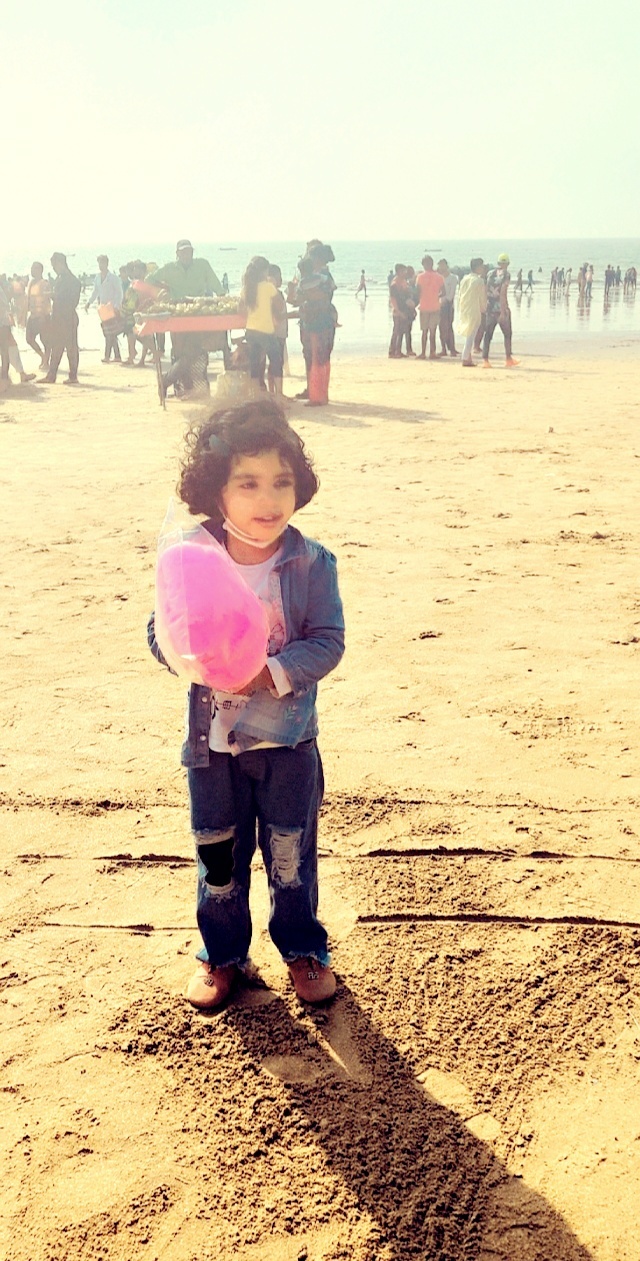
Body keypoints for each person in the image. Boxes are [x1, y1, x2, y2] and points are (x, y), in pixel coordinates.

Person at [147, 398, 345, 1009]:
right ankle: (223, 953)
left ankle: (303, 947)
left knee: (290, 853)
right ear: (217, 491)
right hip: (213, 749)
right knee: (219, 857)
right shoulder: (191, 557)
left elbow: (328, 642)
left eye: (282, 482)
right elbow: (161, 631)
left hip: (288, 745)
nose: (269, 499)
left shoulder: (310, 563)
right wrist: (193, 659)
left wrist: (269, 672)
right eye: (248, 483)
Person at [149, 240, 225, 398]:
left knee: (193, 351)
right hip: (178, 315)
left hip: (197, 313)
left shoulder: (202, 265)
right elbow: (150, 279)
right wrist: (164, 289)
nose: (186, 254)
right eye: (183, 252)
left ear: (193, 252)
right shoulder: (169, 268)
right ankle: (178, 386)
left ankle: (169, 381)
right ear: (177, 253)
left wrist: (222, 299)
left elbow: (216, 285)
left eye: (189, 251)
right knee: (181, 353)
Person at [294, 244, 337, 405]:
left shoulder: (320, 275)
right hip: (322, 318)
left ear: (316, 259)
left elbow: (318, 296)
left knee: (316, 356)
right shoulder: (323, 276)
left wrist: (303, 294)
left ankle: (317, 395)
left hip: (316, 319)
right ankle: (319, 393)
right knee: (320, 357)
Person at [241, 255, 286, 400]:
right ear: (264, 271)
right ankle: (279, 394)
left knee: (255, 363)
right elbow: (280, 305)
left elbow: (241, 310)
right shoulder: (268, 287)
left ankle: (255, 395)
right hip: (266, 330)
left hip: (251, 330)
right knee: (276, 361)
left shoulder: (247, 288)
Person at [40, 253, 81, 385]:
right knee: (59, 347)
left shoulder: (70, 280)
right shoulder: (63, 278)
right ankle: (55, 375)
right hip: (62, 317)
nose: (53, 268)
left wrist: (53, 295)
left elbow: (70, 300)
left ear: (60, 263)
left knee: (70, 348)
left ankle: (68, 376)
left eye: (54, 265)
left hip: (67, 317)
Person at [85, 256, 124, 362]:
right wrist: (89, 302)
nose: (101, 265)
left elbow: (119, 293)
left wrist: (117, 306)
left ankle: (107, 356)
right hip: (103, 309)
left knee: (110, 332)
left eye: (102, 263)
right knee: (109, 332)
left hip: (112, 307)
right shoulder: (97, 277)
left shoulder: (113, 278)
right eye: (99, 263)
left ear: (107, 264)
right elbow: (95, 291)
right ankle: (117, 356)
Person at [482, 253, 518, 368]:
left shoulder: (489, 273)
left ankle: (485, 360)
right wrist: (503, 311)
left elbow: (485, 289)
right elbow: (503, 293)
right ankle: (508, 359)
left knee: (488, 335)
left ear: (498, 263)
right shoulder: (506, 275)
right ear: (508, 263)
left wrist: (485, 304)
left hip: (490, 307)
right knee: (507, 334)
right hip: (499, 307)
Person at [457, 258, 487, 367]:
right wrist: (483, 308)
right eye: (481, 266)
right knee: (471, 334)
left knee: (469, 332)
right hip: (474, 309)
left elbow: (460, 294)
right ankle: (465, 357)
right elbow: (482, 297)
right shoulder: (479, 281)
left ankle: (467, 357)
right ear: (478, 267)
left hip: (465, 308)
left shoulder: (465, 279)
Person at [414, 256, 444, 359]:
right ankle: (432, 352)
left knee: (424, 331)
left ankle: (423, 353)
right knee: (433, 331)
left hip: (424, 306)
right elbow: (443, 292)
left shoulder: (420, 277)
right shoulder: (439, 277)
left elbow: (417, 292)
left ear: (424, 265)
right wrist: (436, 295)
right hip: (435, 306)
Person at [25, 262, 52, 373]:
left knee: (45, 340)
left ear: (40, 270)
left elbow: (47, 300)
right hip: (33, 315)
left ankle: (46, 361)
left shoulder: (44, 283)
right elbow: (28, 299)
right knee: (29, 339)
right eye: (31, 268)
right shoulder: (31, 283)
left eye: (34, 269)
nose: (31, 271)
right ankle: (43, 356)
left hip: (43, 316)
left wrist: (43, 315)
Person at [388, 264, 414, 358]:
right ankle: (392, 352)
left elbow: (406, 296)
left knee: (402, 331)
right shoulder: (394, 284)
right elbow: (393, 299)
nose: (405, 273)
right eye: (403, 271)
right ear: (398, 272)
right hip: (398, 311)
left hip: (405, 310)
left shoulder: (403, 282)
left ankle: (398, 351)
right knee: (396, 332)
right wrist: (398, 312)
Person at [437, 259, 459, 356]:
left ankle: (452, 349)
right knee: (441, 327)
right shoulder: (438, 278)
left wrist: (443, 300)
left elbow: (451, 295)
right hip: (439, 306)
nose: (441, 268)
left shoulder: (453, 278)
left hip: (448, 305)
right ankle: (443, 349)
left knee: (449, 327)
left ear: (446, 266)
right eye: (440, 266)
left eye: (443, 266)